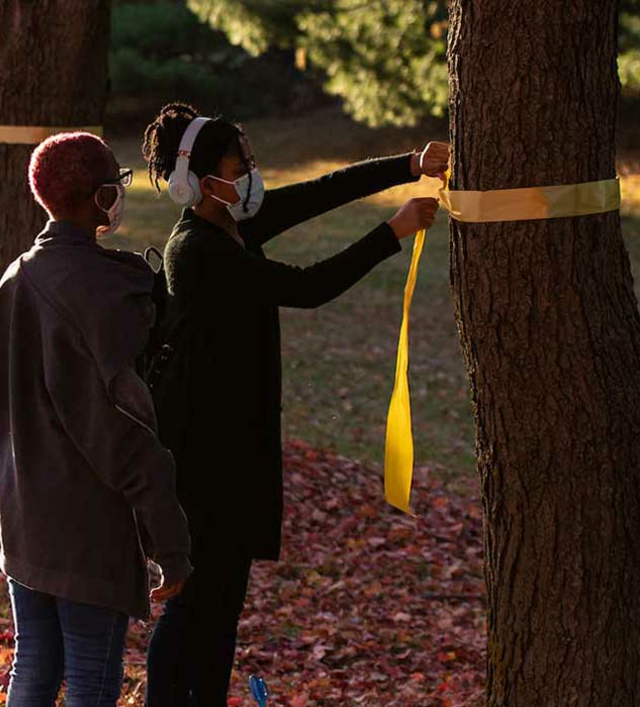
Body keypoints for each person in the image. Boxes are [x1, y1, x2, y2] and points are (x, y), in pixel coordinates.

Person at [135, 102, 446, 705]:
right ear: (195, 182)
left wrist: (408, 164)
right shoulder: (199, 252)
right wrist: (393, 232)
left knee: (222, 605)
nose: (251, 172)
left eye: (250, 160)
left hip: (233, 455)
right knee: (194, 605)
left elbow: (322, 192)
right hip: (201, 463)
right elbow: (307, 287)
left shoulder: (232, 225)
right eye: (238, 164)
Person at [0, 131, 194, 706]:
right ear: (99, 198)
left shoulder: (15, 277)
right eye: (114, 186)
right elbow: (123, 432)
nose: (119, 195)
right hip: (84, 525)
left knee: (36, 664)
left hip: (20, 509)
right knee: (92, 681)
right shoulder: (103, 292)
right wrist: (170, 544)